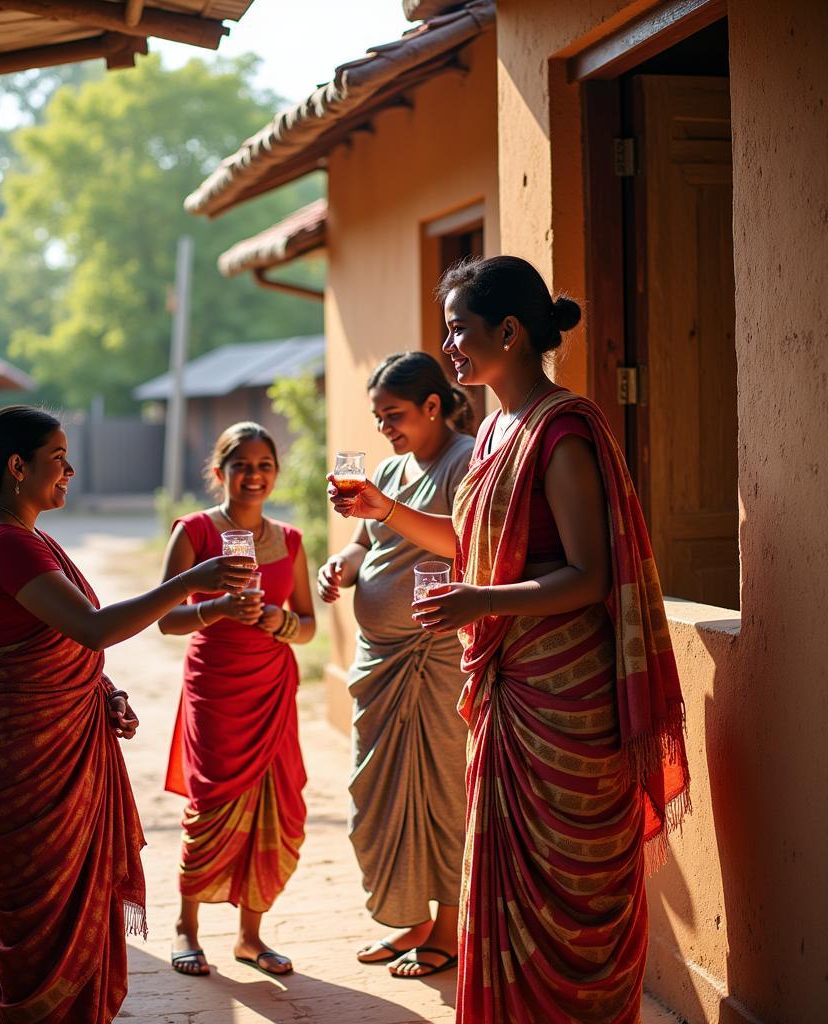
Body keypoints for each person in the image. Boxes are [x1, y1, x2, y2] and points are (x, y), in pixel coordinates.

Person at [329, 256, 690, 1023]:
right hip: (514, 694)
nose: (450, 345)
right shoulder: (495, 427)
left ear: (511, 331)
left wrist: (478, 601)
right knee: (504, 891)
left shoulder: (560, 432)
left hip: (567, 705)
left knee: (573, 897)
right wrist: (380, 509)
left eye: (460, 329)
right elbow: (467, 537)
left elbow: (590, 575)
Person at [0, 406, 253, 1024]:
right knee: (39, 913)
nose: (70, 470)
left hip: (55, 734)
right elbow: (92, 628)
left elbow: (56, 640)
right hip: (23, 750)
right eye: (57, 458)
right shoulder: (5, 544)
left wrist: (101, 690)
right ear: (17, 466)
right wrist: (192, 579)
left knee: (68, 906)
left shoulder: (29, 537)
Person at [317, 352, 474, 979]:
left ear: (433, 406)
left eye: (396, 415)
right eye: (379, 417)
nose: (385, 428)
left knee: (442, 789)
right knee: (376, 793)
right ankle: (411, 921)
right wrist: (343, 565)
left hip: (434, 657)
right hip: (379, 661)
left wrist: (382, 511)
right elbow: (365, 542)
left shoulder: (466, 461)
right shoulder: (388, 468)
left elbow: (466, 539)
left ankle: (450, 928)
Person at [158, 422, 316, 979]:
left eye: (264, 465)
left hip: (272, 689)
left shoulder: (290, 540)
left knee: (282, 810)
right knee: (211, 806)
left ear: (275, 472)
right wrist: (217, 609)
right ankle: (187, 927)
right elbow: (164, 618)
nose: (254, 475)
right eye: (242, 465)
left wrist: (280, 621)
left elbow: (309, 625)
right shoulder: (196, 531)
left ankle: (251, 937)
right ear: (219, 471)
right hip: (217, 687)